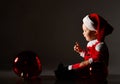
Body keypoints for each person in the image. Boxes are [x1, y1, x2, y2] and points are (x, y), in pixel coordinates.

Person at [54, 13, 113, 81]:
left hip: (98, 71)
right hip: (89, 67)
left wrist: (86, 62)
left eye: (85, 31)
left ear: (95, 32)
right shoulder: (91, 44)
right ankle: (65, 70)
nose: (83, 33)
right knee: (80, 67)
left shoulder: (100, 45)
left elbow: (97, 58)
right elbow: (88, 56)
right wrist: (80, 51)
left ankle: (67, 72)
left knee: (80, 67)